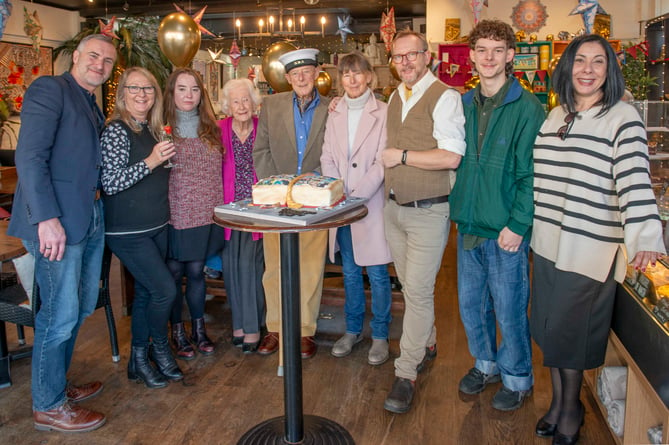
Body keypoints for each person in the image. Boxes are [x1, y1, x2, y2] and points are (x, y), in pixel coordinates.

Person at [531, 34, 665, 444]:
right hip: (549, 242)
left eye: (598, 62)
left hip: (589, 247)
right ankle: (557, 404)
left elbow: (635, 181)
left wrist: (645, 235)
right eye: (580, 61)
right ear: (567, 67)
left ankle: (571, 412)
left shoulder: (622, 118)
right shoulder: (557, 115)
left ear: (610, 71)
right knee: (550, 331)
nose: (587, 70)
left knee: (570, 336)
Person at [8, 34, 116, 433]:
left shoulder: (88, 101)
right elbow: (30, 156)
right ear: (75, 57)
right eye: (93, 56)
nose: (100, 64)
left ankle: (56, 384)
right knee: (59, 313)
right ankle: (48, 405)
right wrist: (46, 218)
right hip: (55, 223)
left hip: (87, 217)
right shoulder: (50, 88)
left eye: (107, 61)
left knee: (80, 305)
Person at [449, 20, 544, 411]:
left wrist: (518, 225)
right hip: (468, 224)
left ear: (510, 55)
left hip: (505, 230)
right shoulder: (462, 104)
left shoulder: (528, 108)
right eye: (482, 50)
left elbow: (532, 174)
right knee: (472, 306)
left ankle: (517, 376)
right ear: (471, 56)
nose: (489, 58)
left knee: (508, 308)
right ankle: (485, 364)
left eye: (497, 50)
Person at [381, 30, 466, 414]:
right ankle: (428, 341)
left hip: (430, 210)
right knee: (410, 288)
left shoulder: (445, 97)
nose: (405, 63)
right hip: (395, 209)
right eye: (398, 57)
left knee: (417, 289)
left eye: (412, 55)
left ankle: (406, 371)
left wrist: (400, 157)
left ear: (427, 56)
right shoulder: (396, 96)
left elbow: (451, 157)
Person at [101, 67, 183, 390]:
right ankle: (156, 349)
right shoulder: (117, 130)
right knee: (165, 290)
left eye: (148, 89)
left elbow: (157, 170)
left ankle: (138, 362)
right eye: (135, 89)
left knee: (148, 293)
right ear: (123, 93)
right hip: (128, 231)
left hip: (157, 224)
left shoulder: (152, 128)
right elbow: (111, 182)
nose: (142, 94)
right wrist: (151, 161)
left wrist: (165, 161)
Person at [252, 48, 330, 359]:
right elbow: (261, 150)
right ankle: (275, 327)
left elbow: (334, 151)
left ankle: (305, 330)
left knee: (310, 266)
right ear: (287, 78)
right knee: (274, 266)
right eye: (295, 74)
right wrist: (278, 187)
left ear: (316, 74)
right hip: (277, 198)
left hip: (314, 197)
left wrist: (315, 184)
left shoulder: (331, 107)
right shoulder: (271, 105)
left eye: (307, 72)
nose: (301, 78)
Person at [321, 51, 392, 365]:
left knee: (377, 274)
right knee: (349, 273)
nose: (352, 79)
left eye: (357, 73)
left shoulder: (386, 112)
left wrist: (356, 195)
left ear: (369, 77)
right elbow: (327, 157)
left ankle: (380, 334)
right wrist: (337, 191)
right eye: (346, 74)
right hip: (341, 206)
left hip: (370, 205)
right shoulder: (334, 113)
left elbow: (382, 161)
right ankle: (352, 330)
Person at [163, 68, 224, 359]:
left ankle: (199, 330)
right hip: (177, 213)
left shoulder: (212, 126)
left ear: (202, 94)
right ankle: (177, 331)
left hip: (207, 213)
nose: (189, 95)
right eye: (182, 89)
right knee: (175, 274)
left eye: (194, 89)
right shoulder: (161, 128)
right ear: (172, 93)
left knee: (197, 272)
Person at [219, 78, 266, 354]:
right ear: (227, 105)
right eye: (235, 101)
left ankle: (253, 326)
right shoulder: (219, 129)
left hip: (257, 210)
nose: (241, 106)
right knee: (231, 265)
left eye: (245, 100)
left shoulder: (263, 128)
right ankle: (238, 323)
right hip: (228, 209)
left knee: (251, 266)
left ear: (254, 102)